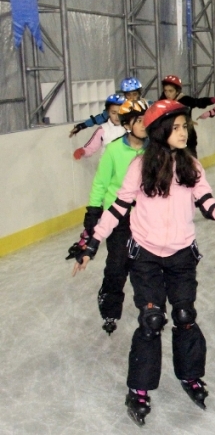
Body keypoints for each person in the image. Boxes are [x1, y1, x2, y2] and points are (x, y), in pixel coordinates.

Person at [70, 99, 215, 426]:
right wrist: (91, 242)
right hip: (145, 256)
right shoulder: (140, 166)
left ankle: (190, 375)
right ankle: (139, 388)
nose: (183, 132)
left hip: (182, 255)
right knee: (151, 319)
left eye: (184, 126)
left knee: (185, 316)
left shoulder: (191, 166)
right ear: (160, 130)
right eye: (176, 128)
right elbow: (117, 209)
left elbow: (208, 203)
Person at [66, 100, 149, 335]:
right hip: (118, 217)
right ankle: (111, 308)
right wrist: (93, 213)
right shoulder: (113, 150)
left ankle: (151, 308)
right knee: (118, 264)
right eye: (139, 121)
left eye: (146, 120)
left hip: (146, 217)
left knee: (145, 266)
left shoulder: (154, 150)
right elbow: (100, 184)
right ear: (127, 124)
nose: (144, 125)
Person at [159, 74, 215, 158]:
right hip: (171, 139)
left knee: (191, 163)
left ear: (177, 91)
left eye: (171, 91)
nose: (167, 94)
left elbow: (198, 102)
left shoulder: (185, 100)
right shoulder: (162, 102)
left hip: (188, 137)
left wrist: (211, 100)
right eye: (165, 91)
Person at [69, 77, 144, 137]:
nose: (131, 98)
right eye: (128, 95)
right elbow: (99, 118)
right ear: (124, 95)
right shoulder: (119, 108)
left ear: (139, 94)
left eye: (134, 94)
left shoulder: (145, 106)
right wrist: (81, 126)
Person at [72, 94, 127, 159]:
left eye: (120, 113)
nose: (117, 117)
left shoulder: (131, 127)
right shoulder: (103, 129)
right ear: (108, 112)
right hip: (107, 165)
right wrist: (82, 151)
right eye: (113, 113)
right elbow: (91, 148)